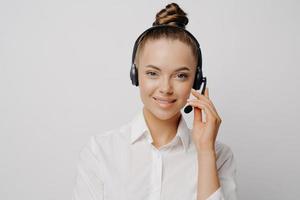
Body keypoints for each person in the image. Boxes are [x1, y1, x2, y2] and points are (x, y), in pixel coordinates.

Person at [72, 3, 238, 200]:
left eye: (181, 76)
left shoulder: (218, 155)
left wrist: (205, 152)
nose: (166, 88)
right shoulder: (100, 152)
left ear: (196, 81)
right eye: (152, 73)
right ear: (135, 75)